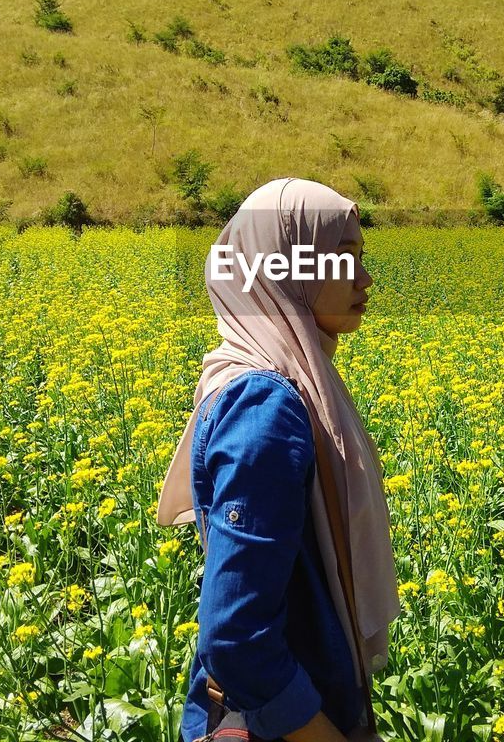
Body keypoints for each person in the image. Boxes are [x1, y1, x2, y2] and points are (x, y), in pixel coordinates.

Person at [157, 177, 402, 742]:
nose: (365, 280)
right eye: (343, 260)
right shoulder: (265, 407)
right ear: (286, 266)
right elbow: (238, 637)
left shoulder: (281, 381)